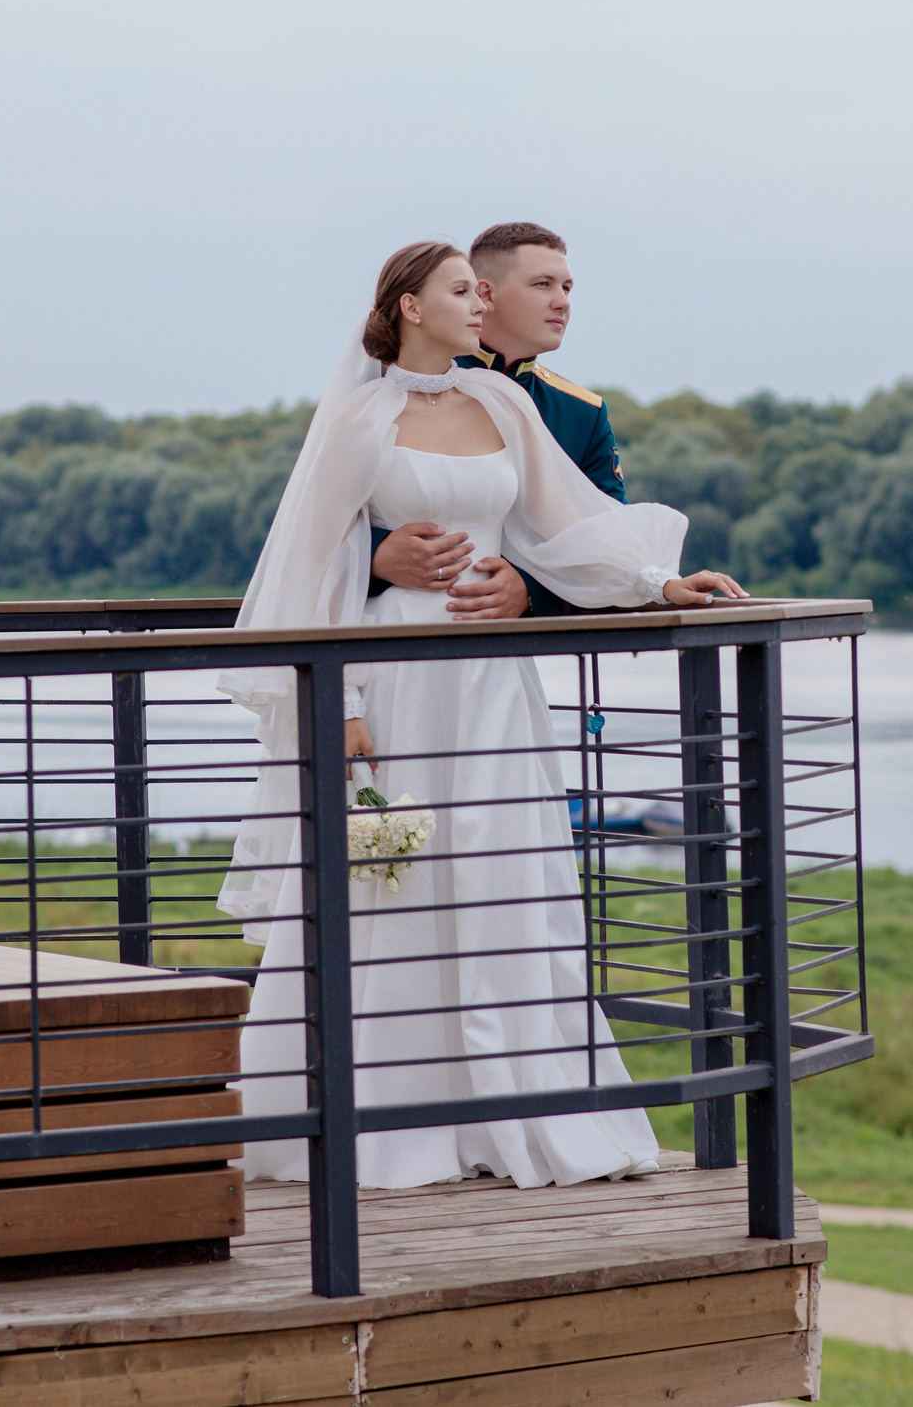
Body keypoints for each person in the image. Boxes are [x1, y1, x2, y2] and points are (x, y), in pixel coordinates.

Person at [219, 241, 743, 1190]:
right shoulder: (358, 420)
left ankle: (519, 1106)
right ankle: (384, 1118)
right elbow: (308, 561)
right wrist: (338, 705)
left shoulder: (504, 404)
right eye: (464, 289)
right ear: (412, 308)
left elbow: (569, 518)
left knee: (507, 872)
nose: (482, 300)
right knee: (395, 881)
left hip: (492, 686)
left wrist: (660, 580)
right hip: (395, 673)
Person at [369, 222, 626, 622]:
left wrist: (531, 591)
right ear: (485, 294)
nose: (562, 302)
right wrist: (376, 556)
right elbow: (316, 518)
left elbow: (608, 538)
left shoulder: (583, 413)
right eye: (543, 284)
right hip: (397, 632)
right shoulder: (382, 392)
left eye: (567, 288)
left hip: (511, 652)